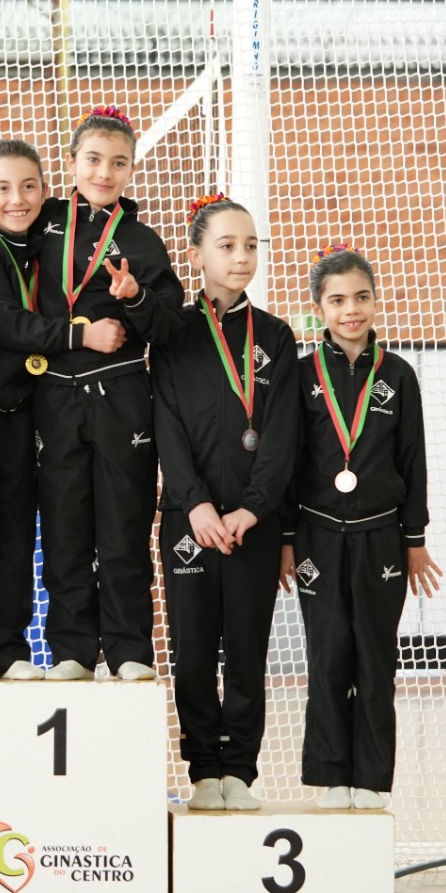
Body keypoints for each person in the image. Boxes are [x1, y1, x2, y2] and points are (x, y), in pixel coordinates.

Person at [0, 139, 126, 683]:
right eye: (2, 188)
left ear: (45, 191)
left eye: (28, 187)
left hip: (27, 412)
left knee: (16, 538)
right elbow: (4, 322)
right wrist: (80, 335)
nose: (16, 199)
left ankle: (9, 650)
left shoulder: (48, 240)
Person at [280, 244, 441, 810]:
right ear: (318, 308)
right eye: (338, 300)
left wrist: (415, 540)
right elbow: (287, 464)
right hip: (317, 535)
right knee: (328, 655)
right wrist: (286, 540)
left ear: (375, 301)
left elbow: (414, 464)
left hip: (382, 538)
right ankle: (331, 776)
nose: (351, 310)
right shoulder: (301, 376)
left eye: (361, 297)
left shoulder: (398, 375)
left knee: (376, 659)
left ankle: (371, 778)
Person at [153, 194, 298, 810]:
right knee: (191, 652)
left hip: (251, 525)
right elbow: (166, 425)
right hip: (190, 522)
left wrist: (253, 509)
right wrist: (194, 505)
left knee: (245, 651)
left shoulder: (277, 337)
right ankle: (202, 770)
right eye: (227, 245)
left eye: (251, 245)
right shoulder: (173, 333)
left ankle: (239, 768)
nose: (242, 257)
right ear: (197, 256)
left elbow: (284, 434)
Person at [33, 105, 185, 682]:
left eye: (118, 162)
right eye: (93, 159)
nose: (104, 172)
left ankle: (128, 651)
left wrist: (135, 297)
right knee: (65, 530)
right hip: (54, 395)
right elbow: (3, 253)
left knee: (123, 531)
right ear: (72, 162)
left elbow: (170, 326)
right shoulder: (44, 222)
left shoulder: (143, 241)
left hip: (122, 396)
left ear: (131, 169)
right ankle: (71, 650)